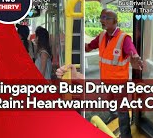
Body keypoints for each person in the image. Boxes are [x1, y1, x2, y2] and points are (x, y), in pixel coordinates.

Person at [57, 9, 143, 138]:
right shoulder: (102, 36)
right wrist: (69, 43)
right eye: (101, 17)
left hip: (120, 84)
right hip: (106, 81)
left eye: (106, 17)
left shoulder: (124, 38)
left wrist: (135, 58)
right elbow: (89, 46)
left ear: (115, 21)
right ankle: (113, 115)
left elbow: (132, 51)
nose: (102, 20)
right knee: (109, 102)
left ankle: (126, 136)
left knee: (123, 112)